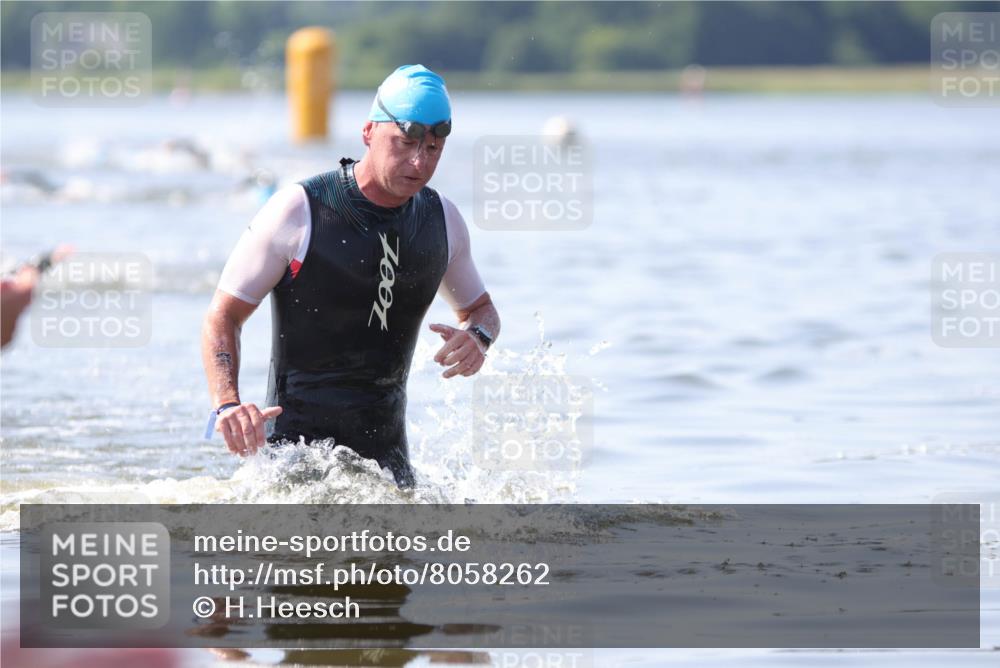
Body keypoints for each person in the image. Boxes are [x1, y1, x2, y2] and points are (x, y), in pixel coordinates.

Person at [201, 65, 500, 487]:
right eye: (406, 142)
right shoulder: (300, 210)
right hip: (292, 470)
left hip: (390, 477)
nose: (419, 161)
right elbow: (222, 315)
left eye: (433, 147)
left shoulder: (444, 221)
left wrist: (479, 337)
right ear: (367, 133)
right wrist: (228, 404)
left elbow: (481, 309)